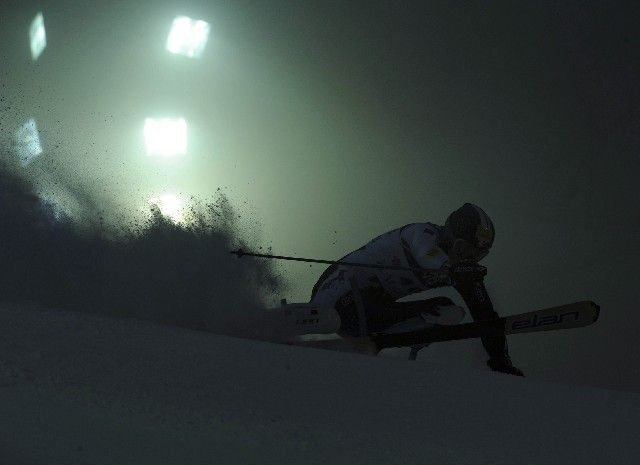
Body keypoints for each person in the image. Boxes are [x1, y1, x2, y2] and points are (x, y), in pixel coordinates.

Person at [310, 203, 524, 376]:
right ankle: (319, 321)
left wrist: (500, 361)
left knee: (448, 312)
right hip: (336, 293)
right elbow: (427, 254)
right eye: (463, 249)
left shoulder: (458, 269)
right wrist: (451, 270)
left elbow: (484, 314)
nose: (466, 258)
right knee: (442, 308)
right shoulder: (422, 233)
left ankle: (374, 342)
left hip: (367, 312)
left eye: (476, 256)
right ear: (450, 237)